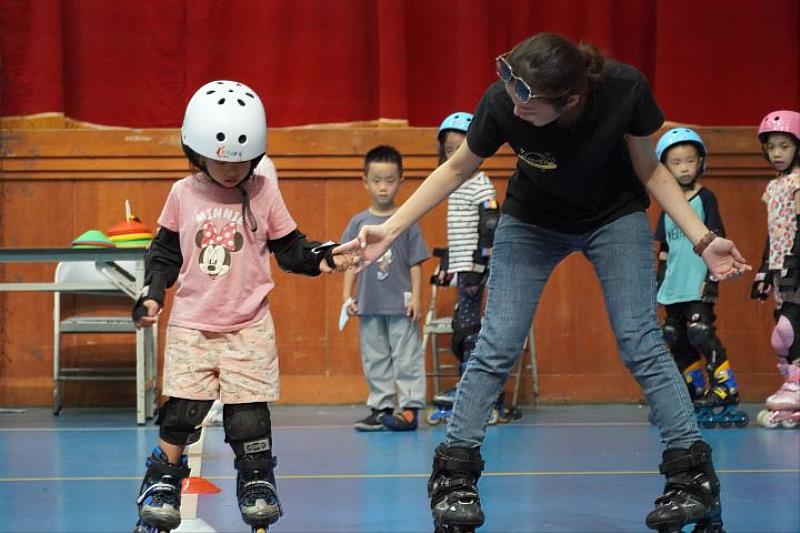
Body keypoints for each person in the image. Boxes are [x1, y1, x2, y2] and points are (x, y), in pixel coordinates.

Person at [347, 33, 750, 532]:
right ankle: (454, 476)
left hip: (613, 216)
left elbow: (649, 168)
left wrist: (701, 238)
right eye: (513, 99)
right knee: (496, 343)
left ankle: (693, 477)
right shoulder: (503, 101)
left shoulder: (625, 90)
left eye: (530, 106)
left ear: (572, 100)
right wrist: (389, 229)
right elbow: (456, 168)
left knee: (641, 339)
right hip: (531, 220)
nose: (515, 113)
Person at [131, 80, 353, 533]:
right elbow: (165, 252)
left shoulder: (264, 191)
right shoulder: (183, 193)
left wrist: (324, 257)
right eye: (219, 161)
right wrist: (153, 292)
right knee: (182, 412)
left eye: (240, 162)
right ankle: (162, 483)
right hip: (192, 324)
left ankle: (256, 481)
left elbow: (289, 248)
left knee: (248, 415)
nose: (231, 172)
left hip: (248, 326)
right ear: (196, 152)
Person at [427, 112, 518, 424]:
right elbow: (459, 234)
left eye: (460, 148)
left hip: (476, 268)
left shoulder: (480, 183)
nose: (454, 155)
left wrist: (479, 264)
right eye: (449, 150)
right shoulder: (453, 184)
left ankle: (479, 394)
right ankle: (472, 389)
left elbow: (490, 226)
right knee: (464, 329)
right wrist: (448, 266)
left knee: (471, 331)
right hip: (464, 266)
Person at [654, 127, 747, 428]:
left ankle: (725, 388)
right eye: (676, 162)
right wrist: (659, 282)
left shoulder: (706, 198)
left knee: (701, 333)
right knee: (675, 337)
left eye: (689, 161)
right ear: (665, 168)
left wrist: (710, 281)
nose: (683, 167)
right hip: (673, 288)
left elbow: (717, 238)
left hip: (697, 284)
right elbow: (665, 250)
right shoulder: (668, 206)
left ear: (701, 163)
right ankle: (694, 391)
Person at [341, 145, 430, 432]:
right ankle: (382, 407)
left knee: (407, 357)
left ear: (401, 182)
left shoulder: (406, 220)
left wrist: (417, 296)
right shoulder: (358, 222)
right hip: (369, 305)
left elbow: (416, 262)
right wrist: (346, 297)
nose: (383, 187)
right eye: (377, 180)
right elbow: (350, 262)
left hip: (401, 305)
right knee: (375, 356)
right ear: (365, 181)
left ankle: (410, 408)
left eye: (390, 181)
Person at [750, 109, 800, 429]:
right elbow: (775, 232)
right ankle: (793, 381)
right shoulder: (775, 186)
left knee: (787, 331)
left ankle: (795, 385)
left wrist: (795, 263)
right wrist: (764, 271)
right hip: (782, 271)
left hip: (797, 268)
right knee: (784, 337)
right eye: (772, 147)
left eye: (785, 145)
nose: (777, 153)